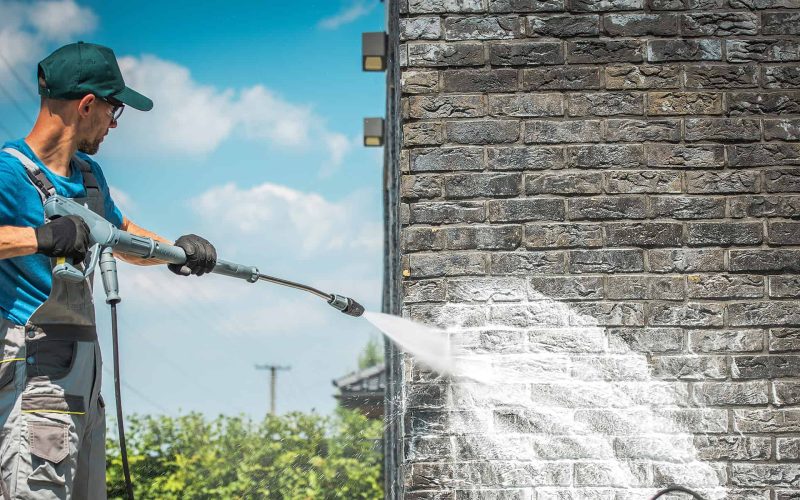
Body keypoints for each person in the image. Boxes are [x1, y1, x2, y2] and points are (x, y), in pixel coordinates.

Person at [0, 41, 216, 498]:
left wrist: (177, 253)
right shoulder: (8, 173)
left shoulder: (89, 176)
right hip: (35, 380)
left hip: (84, 381)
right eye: (114, 110)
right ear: (86, 105)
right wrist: (40, 237)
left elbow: (119, 235)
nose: (114, 124)